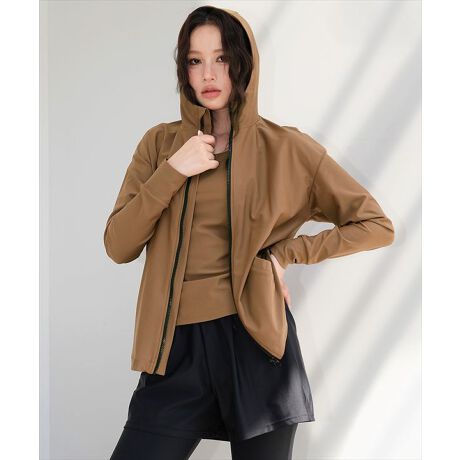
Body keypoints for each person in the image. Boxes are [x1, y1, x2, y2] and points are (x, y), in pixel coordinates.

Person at [106, 5, 395, 460]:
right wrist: (173, 171)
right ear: (183, 70)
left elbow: (375, 225)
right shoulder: (160, 145)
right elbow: (118, 246)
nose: (208, 73)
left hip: (256, 346)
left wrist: (285, 253)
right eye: (195, 60)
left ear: (244, 62)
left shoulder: (286, 148)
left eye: (221, 58)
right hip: (174, 349)